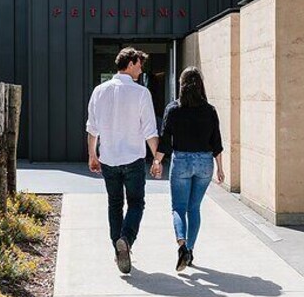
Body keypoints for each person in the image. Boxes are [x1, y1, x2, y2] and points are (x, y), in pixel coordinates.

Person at [86, 47, 160, 274]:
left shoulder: (99, 91)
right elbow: (150, 130)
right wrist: (157, 159)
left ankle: (118, 250)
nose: (141, 68)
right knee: (136, 203)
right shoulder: (141, 93)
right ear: (131, 62)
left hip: (108, 158)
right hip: (133, 159)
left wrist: (92, 155)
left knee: (114, 204)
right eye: (139, 64)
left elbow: (92, 127)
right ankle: (126, 240)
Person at [150, 67, 224, 271]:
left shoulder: (173, 109)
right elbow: (216, 142)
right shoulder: (210, 110)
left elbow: (165, 141)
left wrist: (157, 162)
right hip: (205, 163)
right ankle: (189, 251)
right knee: (194, 208)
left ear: (181, 85)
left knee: (178, 208)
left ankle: (182, 246)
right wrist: (220, 169)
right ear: (201, 85)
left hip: (181, 160)